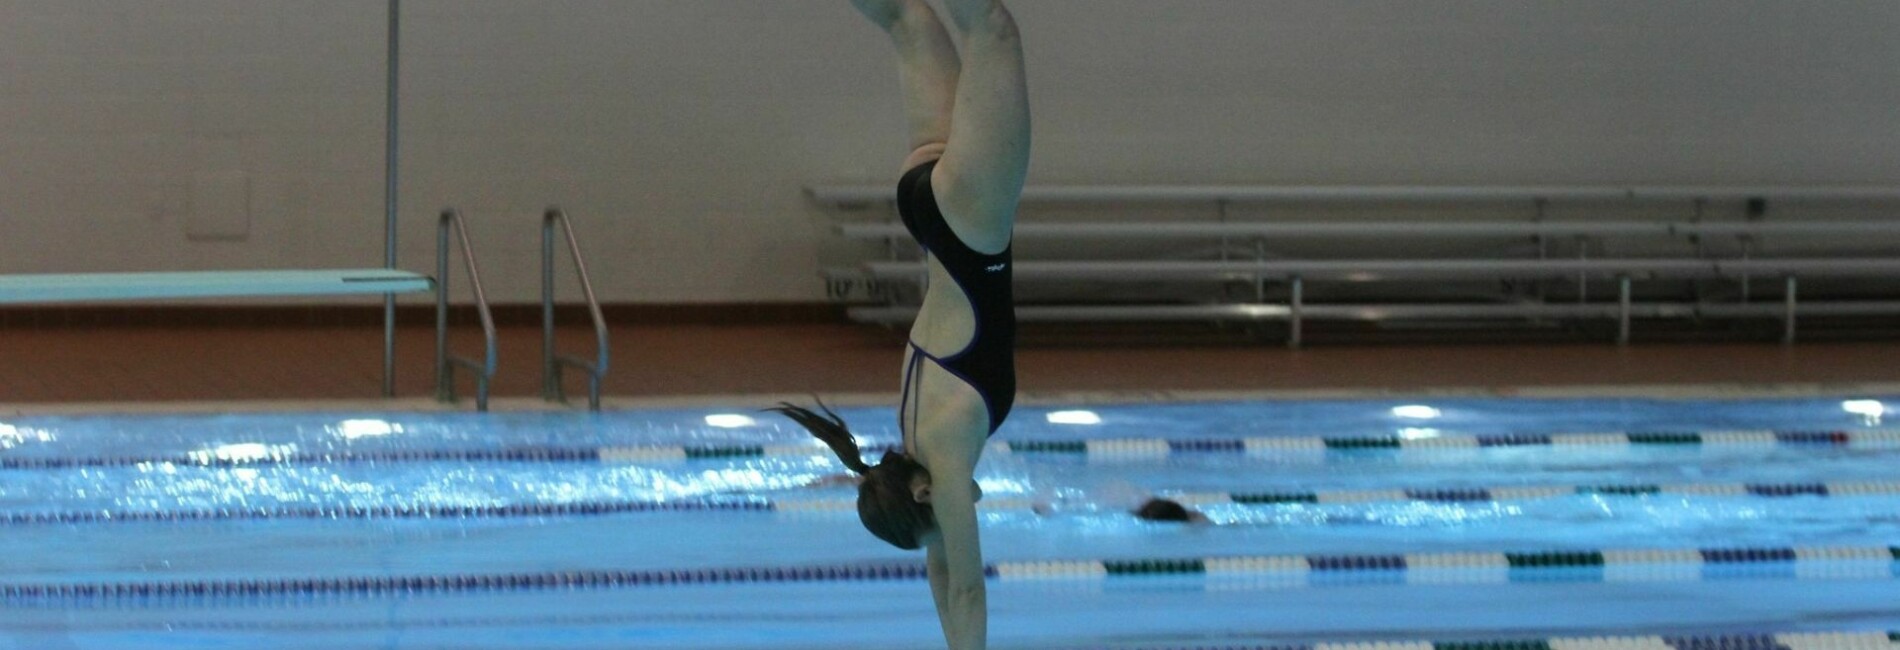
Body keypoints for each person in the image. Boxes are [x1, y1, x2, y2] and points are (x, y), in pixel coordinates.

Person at [770, 1, 1028, 648]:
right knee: (905, 18)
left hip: (972, 217)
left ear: (921, 492)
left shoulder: (942, 451)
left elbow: (965, 585)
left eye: (942, 513)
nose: (960, 508)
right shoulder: (913, 431)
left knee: (991, 29)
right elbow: (942, 571)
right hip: (926, 208)